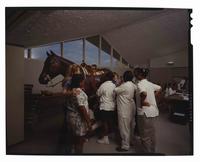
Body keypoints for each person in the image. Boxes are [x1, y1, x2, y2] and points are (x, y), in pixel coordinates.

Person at [134, 68, 161, 153]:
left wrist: (143, 102)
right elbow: (159, 88)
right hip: (153, 112)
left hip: (144, 112)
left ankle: (147, 154)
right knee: (152, 133)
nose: (135, 75)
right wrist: (153, 97)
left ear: (139, 75)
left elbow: (144, 93)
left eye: (136, 73)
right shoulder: (150, 84)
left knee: (144, 135)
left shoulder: (140, 84)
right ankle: (153, 151)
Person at [64, 74, 91, 153]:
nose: (84, 82)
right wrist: (88, 122)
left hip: (71, 117)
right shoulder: (78, 92)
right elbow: (82, 108)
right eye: (83, 81)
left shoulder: (72, 90)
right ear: (80, 82)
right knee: (79, 142)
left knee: (73, 140)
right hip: (78, 119)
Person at [114, 71, 137, 152]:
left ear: (124, 77)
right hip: (131, 108)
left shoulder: (124, 85)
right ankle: (130, 141)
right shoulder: (133, 85)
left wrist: (119, 82)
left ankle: (125, 146)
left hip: (124, 109)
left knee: (124, 128)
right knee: (131, 126)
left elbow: (115, 90)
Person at [96, 71, 116, 144]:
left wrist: (99, 102)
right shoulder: (114, 85)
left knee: (105, 123)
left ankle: (105, 138)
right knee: (110, 121)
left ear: (106, 77)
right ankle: (108, 135)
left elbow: (98, 94)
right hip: (112, 106)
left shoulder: (103, 85)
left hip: (105, 106)